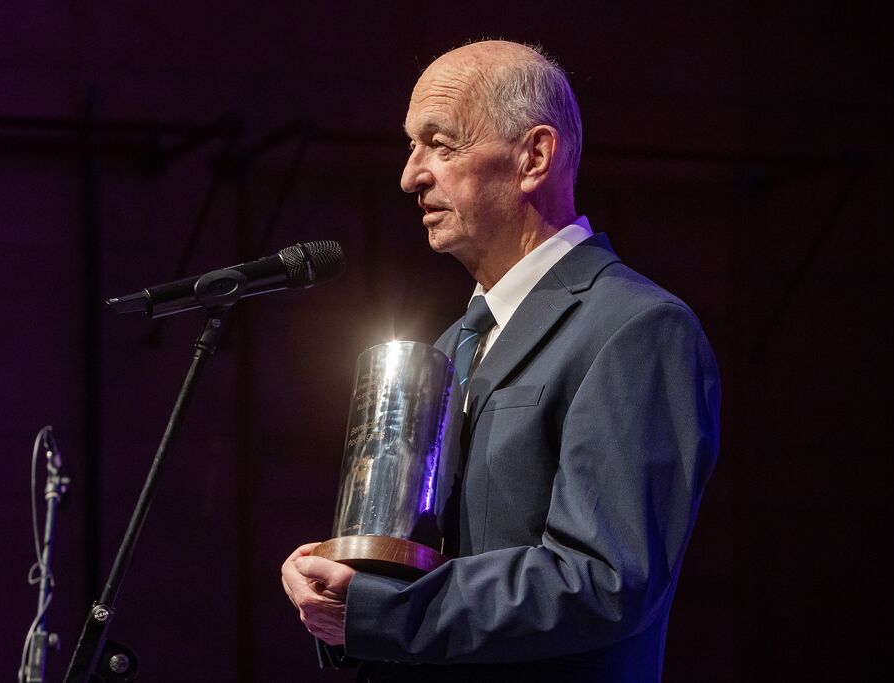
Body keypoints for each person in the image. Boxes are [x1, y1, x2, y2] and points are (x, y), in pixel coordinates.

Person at [281, 40, 721, 682]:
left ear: (534, 157)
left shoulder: (635, 328)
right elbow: (420, 565)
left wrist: (385, 613)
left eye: (440, 144)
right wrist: (341, 596)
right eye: (411, 146)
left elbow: (603, 580)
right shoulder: (450, 345)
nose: (410, 175)